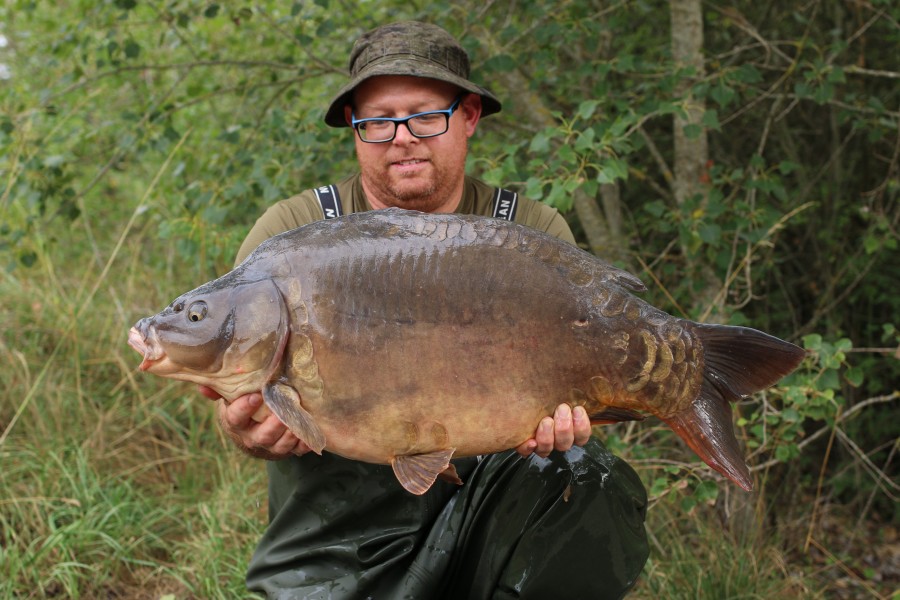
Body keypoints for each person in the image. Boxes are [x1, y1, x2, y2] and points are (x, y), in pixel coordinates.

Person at [203, 21, 649, 599]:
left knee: (589, 480)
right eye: (377, 121)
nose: (402, 137)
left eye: (423, 116)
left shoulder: (530, 234)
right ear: (354, 130)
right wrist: (246, 431)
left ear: (467, 116)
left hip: (492, 503)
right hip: (337, 530)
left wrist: (570, 424)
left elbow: (575, 396)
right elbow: (240, 398)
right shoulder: (291, 239)